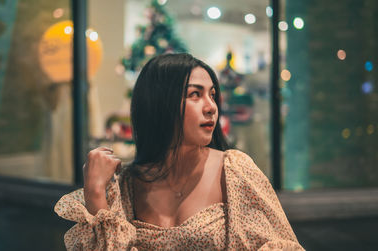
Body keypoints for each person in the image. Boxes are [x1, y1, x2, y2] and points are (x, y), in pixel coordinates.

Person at [55, 53, 304, 250]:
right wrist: (96, 193)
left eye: (213, 95)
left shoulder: (234, 171)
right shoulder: (126, 188)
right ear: (159, 104)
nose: (211, 107)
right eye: (194, 95)